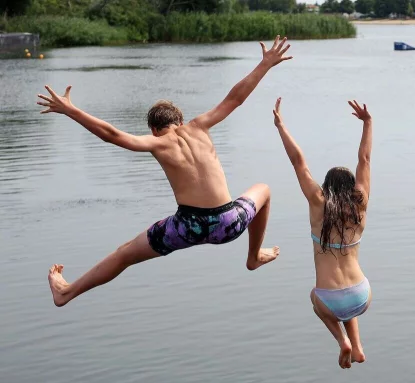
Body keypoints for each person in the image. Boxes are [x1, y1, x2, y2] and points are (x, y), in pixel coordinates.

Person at [40, 36, 293, 307]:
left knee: (124, 254)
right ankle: (254, 256)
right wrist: (265, 64)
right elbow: (236, 98)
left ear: (153, 129)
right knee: (263, 189)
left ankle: (66, 293)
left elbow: (111, 135)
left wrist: (71, 110)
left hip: (186, 228)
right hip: (227, 223)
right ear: (180, 120)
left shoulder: (156, 143)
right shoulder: (200, 125)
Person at [272, 97, 373, 369]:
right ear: (352, 187)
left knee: (314, 298)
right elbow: (364, 158)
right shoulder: (360, 205)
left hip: (329, 300)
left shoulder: (318, 204)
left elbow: (299, 163)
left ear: (326, 188)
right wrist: (367, 123)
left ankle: (343, 342)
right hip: (362, 295)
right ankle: (358, 348)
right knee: (348, 305)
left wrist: (281, 126)